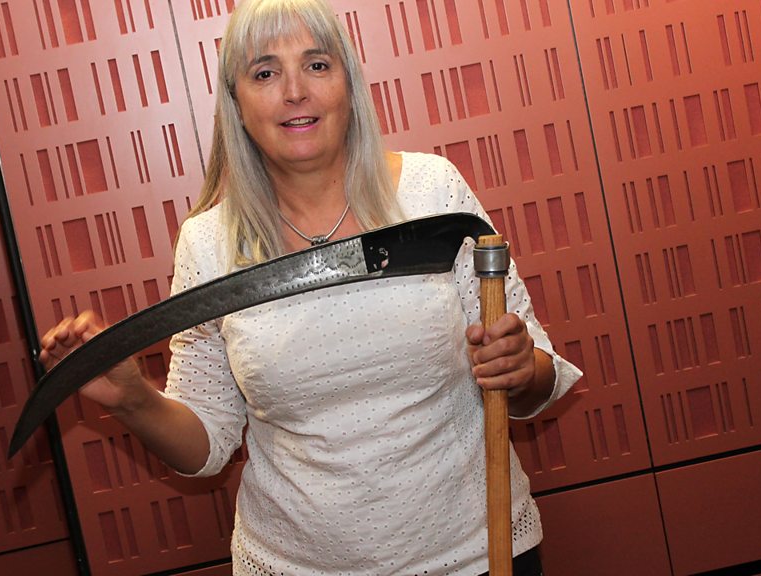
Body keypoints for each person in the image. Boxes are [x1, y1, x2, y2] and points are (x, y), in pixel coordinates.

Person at [40, 0, 582, 574]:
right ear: (236, 104)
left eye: (317, 65)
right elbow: (207, 446)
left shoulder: (433, 193)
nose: (295, 91)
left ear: (349, 85)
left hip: (480, 553)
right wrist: (133, 399)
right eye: (265, 73)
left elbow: (536, 377)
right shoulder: (208, 244)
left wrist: (521, 369)